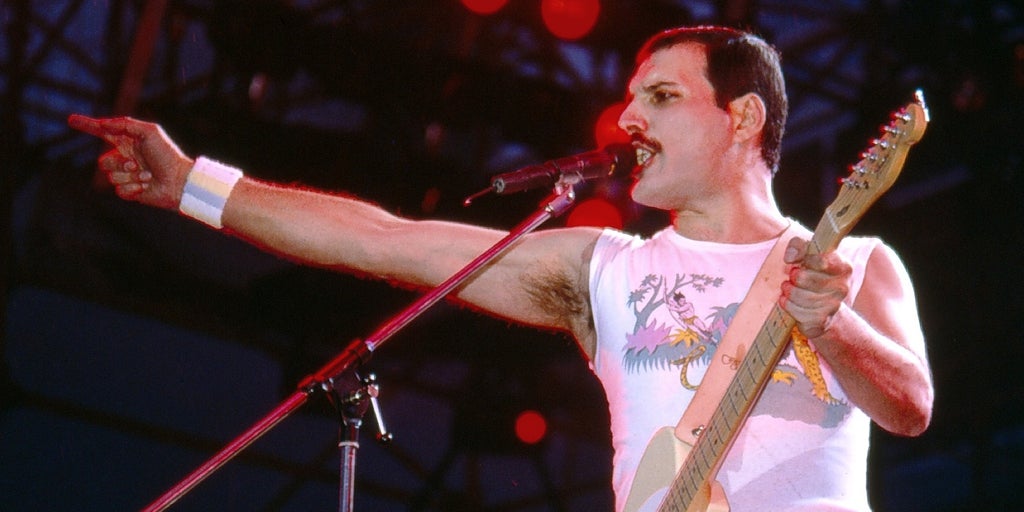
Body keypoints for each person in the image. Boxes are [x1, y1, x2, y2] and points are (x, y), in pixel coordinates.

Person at [69, 25, 933, 512]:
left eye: (662, 97)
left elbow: (911, 406)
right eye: (631, 97)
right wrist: (194, 186)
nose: (629, 119)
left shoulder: (854, 262)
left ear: (743, 118)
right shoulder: (604, 270)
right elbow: (384, 239)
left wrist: (831, 323)